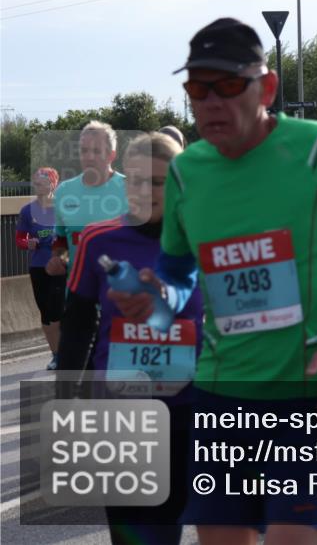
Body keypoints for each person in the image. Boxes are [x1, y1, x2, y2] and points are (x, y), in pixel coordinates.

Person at [110, 17, 317, 541]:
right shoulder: (186, 172)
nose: (211, 102)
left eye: (228, 85)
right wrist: (156, 298)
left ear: (267, 88)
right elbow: (179, 274)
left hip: (309, 395)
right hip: (219, 394)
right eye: (197, 89)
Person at [59, 133, 203, 545]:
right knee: (130, 534)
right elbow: (78, 324)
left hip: (189, 407)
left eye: (158, 182)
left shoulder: (204, 239)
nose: (145, 191)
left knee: (166, 527)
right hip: (121, 408)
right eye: (136, 180)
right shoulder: (98, 240)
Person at [47, 121, 128, 279]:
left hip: (122, 291)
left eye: (97, 151)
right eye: (84, 150)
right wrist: (61, 261)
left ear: (111, 155)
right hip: (76, 291)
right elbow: (61, 240)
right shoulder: (64, 191)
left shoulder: (132, 189)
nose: (89, 157)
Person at [16, 167, 65, 369]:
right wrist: (27, 243)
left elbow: (73, 235)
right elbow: (20, 239)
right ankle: (56, 355)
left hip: (61, 266)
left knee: (57, 312)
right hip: (38, 267)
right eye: (36, 183)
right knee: (46, 314)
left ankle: (68, 352)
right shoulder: (27, 211)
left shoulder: (63, 208)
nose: (38, 187)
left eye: (42, 183)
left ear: (53, 185)